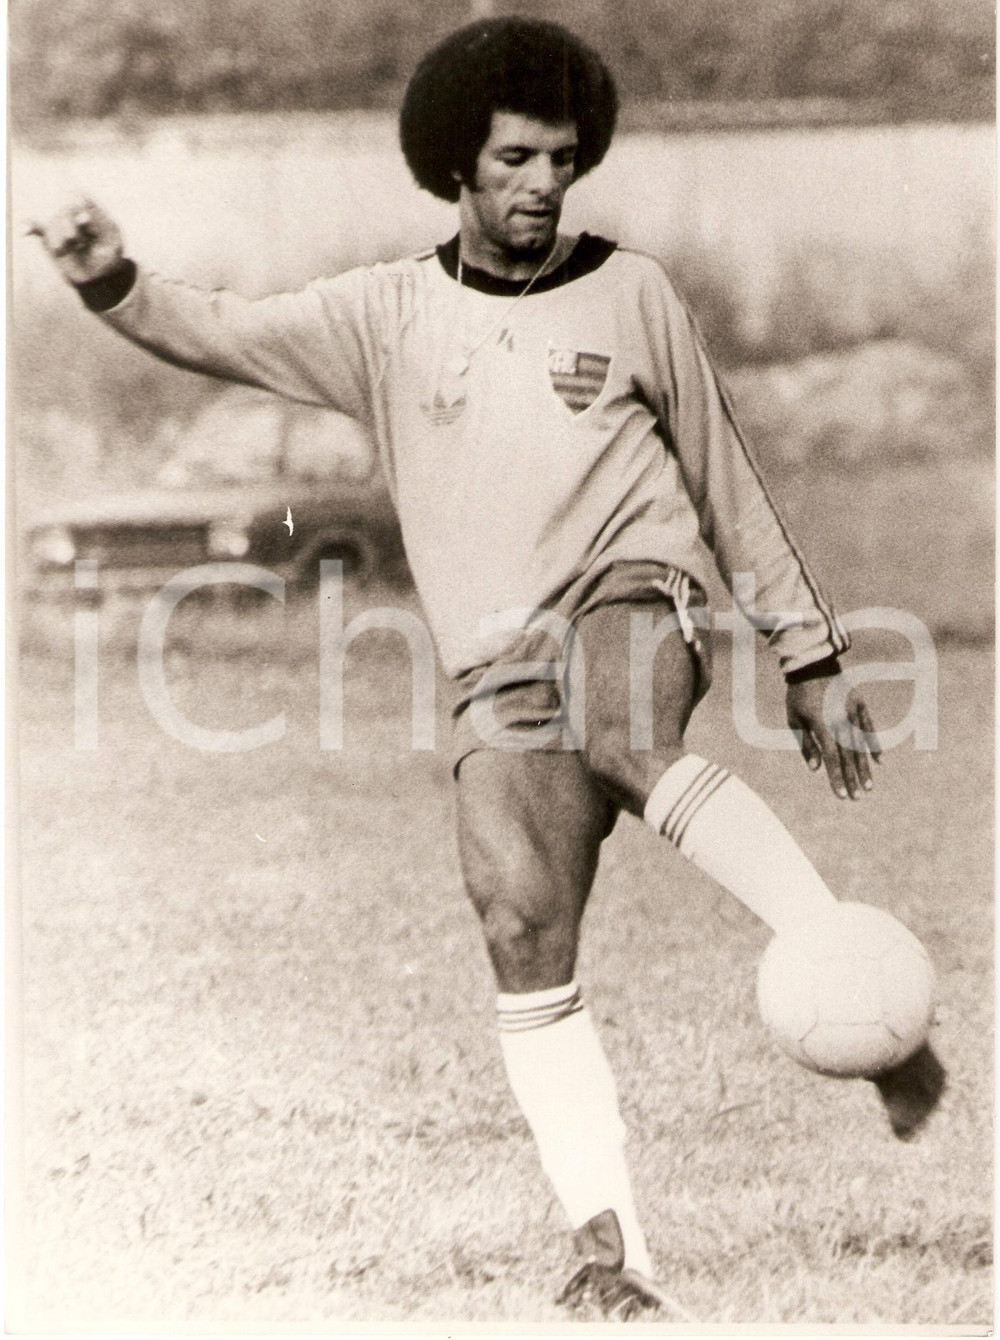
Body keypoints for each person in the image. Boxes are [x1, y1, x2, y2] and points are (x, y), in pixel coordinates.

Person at [30, 17, 945, 1320]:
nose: (543, 185)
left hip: (637, 587)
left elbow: (726, 480)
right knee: (519, 923)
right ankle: (613, 1256)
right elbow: (222, 330)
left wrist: (810, 655)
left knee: (624, 732)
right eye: (516, 160)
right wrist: (109, 279)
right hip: (493, 657)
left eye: (563, 160)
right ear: (455, 164)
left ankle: (847, 969)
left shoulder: (635, 294)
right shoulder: (383, 314)